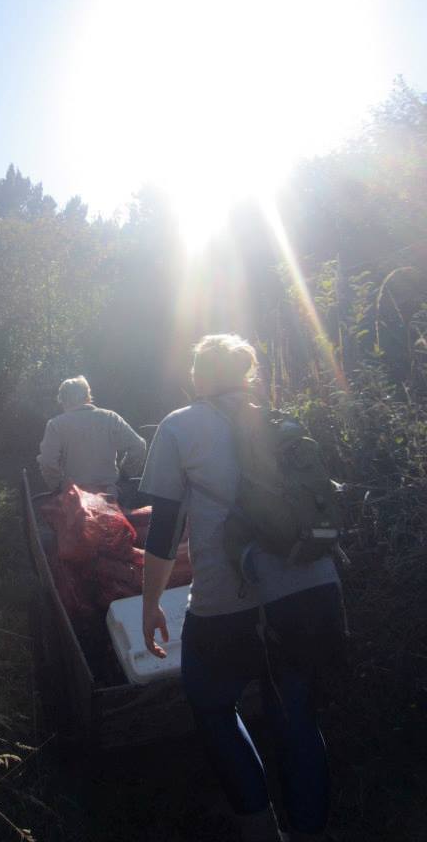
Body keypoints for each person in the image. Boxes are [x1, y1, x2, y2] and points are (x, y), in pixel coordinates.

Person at [140, 334, 346, 842]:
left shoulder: (179, 425)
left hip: (228, 602)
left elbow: (164, 531)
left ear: (199, 376)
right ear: (247, 374)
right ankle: (310, 834)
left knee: (211, 704)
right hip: (312, 587)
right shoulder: (281, 421)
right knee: (296, 716)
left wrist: (149, 606)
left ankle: (258, 829)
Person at [37, 376, 146, 495]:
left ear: (63, 400)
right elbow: (139, 446)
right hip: (109, 495)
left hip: (74, 497)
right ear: (87, 396)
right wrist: (125, 474)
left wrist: (57, 486)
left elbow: (47, 462)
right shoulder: (110, 418)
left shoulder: (56, 425)